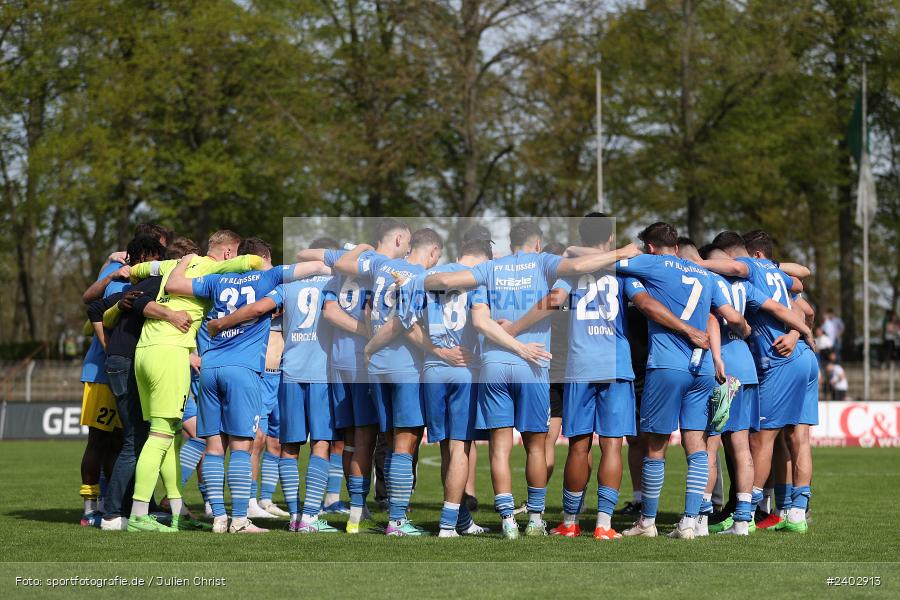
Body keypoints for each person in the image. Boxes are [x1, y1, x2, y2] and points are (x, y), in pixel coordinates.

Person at [424, 221, 639, 538]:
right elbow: (577, 266)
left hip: (493, 365)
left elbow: (442, 282)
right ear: (538, 244)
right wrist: (625, 250)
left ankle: (508, 520)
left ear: (510, 243)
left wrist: (424, 277)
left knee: (499, 450)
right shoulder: (544, 263)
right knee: (537, 447)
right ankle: (536, 519)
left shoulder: (491, 269)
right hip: (534, 363)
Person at [124, 230, 265, 533]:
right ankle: (138, 514)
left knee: (168, 432)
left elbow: (134, 271)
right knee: (161, 436)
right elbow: (254, 261)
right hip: (171, 353)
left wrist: (122, 264)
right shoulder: (214, 267)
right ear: (228, 253)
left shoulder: (171, 265)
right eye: (235, 253)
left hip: (145, 351)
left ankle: (176, 510)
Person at [613, 224, 726, 540]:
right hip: (702, 366)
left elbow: (644, 302)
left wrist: (683, 330)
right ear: (676, 246)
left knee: (655, 446)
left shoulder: (650, 263)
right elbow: (715, 315)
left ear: (650, 247)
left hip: (667, 365)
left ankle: (647, 522)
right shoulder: (703, 273)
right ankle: (690, 522)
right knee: (697, 444)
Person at [335, 228, 445, 536]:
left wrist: (371, 346)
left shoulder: (382, 266)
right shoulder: (417, 277)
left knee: (371, 441)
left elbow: (369, 309)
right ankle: (397, 521)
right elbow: (402, 325)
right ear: (433, 251)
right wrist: (440, 352)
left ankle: (355, 516)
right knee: (404, 443)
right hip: (403, 366)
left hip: (377, 368)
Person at [392, 236, 495, 537]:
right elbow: (485, 323)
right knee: (460, 446)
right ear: (486, 258)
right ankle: (449, 524)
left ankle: (460, 518)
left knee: (449, 449)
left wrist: (436, 351)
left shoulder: (427, 278)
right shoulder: (482, 278)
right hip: (464, 370)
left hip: (433, 369)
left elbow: (405, 322)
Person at [713, 230, 814, 534]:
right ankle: (796, 513)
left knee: (761, 439)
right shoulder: (774, 273)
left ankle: (746, 514)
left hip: (779, 360)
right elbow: (804, 305)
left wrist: (694, 264)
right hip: (805, 357)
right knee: (797, 438)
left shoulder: (750, 269)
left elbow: (736, 268)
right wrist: (799, 333)